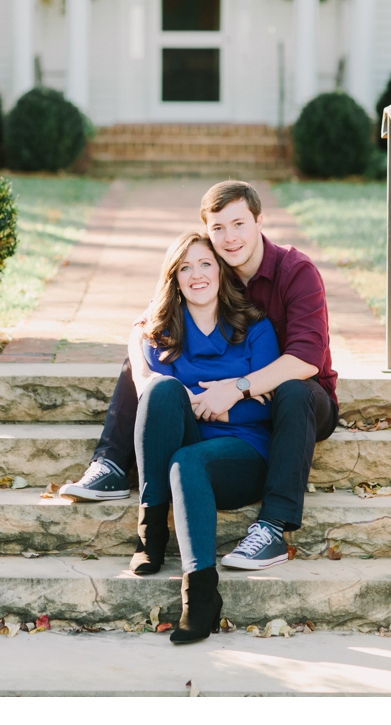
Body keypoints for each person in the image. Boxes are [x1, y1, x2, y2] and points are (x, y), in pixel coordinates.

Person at [60, 180, 337, 570]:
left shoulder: (296, 271)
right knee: (145, 358)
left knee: (293, 389)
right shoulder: (211, 262)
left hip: (305, 403)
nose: (230, 237)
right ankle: (112, 463)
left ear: (260, 222)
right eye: (218, 228)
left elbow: (307, 358)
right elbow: (145, 326)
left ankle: (273, 528)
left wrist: (235, 390)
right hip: (233, 400)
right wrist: (150, 385)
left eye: (239, 224)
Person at [131, 232, 279, 644]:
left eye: (205, 264)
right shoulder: (162, 332)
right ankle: (151, 536)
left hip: (243, 450)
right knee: (162, 392)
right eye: (185, 267)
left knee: (187, 460)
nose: (197, 275)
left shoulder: (255, 327)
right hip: (189, 436)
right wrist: (210, 396)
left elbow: (269, 404)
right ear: (175, 278)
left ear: (221, 271)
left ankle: (199, 596)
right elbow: (152, 397)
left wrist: (225, 403)